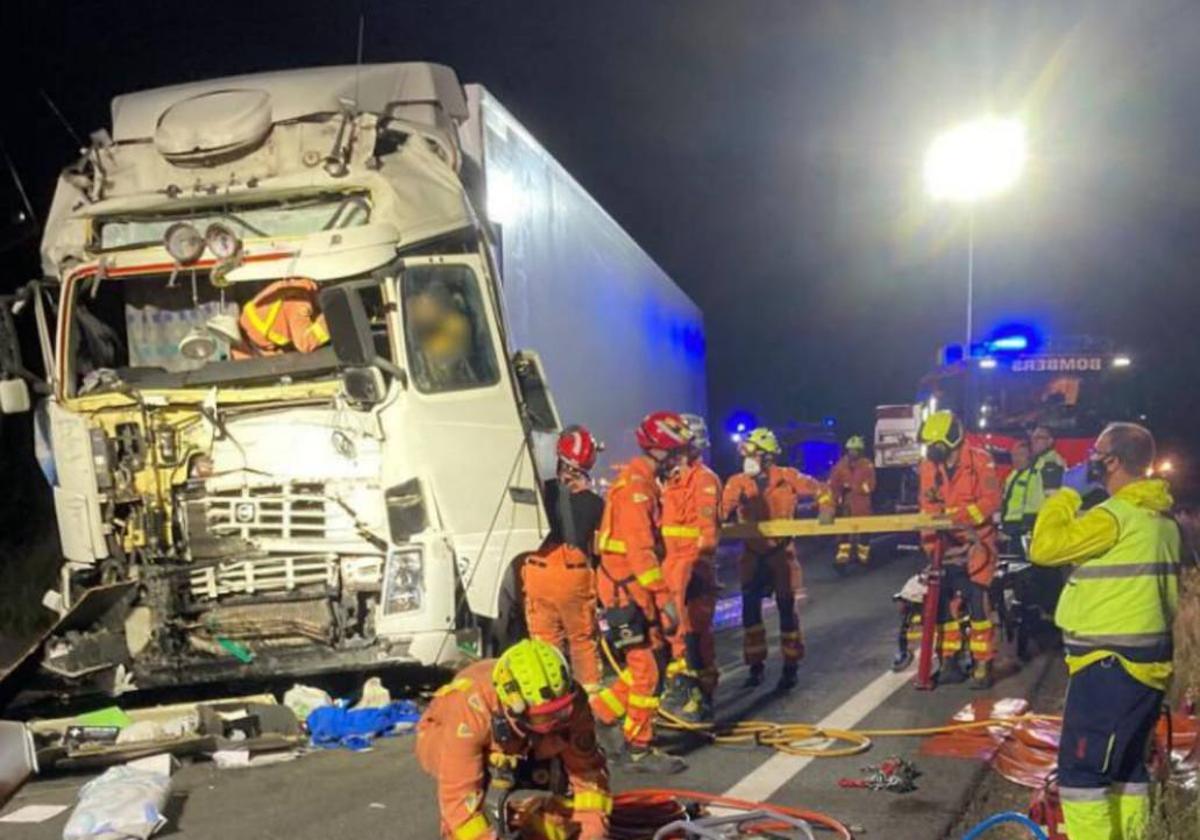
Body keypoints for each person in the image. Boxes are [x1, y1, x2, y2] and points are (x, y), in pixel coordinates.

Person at [1029, 423, 1179, 840]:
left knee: (1081, 777)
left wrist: (1065, 494)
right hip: (1145, 668)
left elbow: (1045, 548)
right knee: (1128, 769)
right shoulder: (1161, 519)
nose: (1088, 460)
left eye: (1095, 452)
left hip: (1108, 666)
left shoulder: (1114, 518)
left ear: (1111, 461)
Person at [416, 639, 612, 840]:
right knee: (462, 818)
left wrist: (592, 833)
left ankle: (539, 823)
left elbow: (588, 775)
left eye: (559, 713)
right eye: (541, 717)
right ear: (510, 704)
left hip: (520, 738)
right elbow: (460, 808)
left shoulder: (571, 700)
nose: (552, 724)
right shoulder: (469, 710)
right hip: (444, 732)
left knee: (568, 782)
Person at [589, 411, 689, 774]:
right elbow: (641, 553)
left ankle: (600, 714)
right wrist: (663, 599)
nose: (681, 459)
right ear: (659, 449)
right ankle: (638, 747)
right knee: (646, 669)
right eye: (677, 452)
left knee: (651, 661)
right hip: (624, 592)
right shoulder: (636, 489)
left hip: (631, 589)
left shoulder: (644, 482)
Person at [721, 427, 834, 691]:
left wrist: (826, 509)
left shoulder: (787, 478)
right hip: (752, 556)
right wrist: (723, 514)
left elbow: (821, 489)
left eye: (754, 453)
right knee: (751, 616)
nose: (748, 458)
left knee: (787, 614)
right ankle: (756, 667)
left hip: (782, 556)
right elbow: (723, 509)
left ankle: (790, 667)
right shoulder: (738, 482)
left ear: (768, 457)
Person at [917, 410, 1002, 688]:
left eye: (935, 445)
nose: (931, 451)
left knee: (978, 599)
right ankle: (950, 659)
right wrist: (932, 548)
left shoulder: (980, 460)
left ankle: (983, 662)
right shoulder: (929, 467)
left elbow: (991, 501)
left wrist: (961, 519)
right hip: (946, 543)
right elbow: (928, 509)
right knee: (942, 600)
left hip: (979, 541)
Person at [522, 426, 606, 700]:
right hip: (573, 577)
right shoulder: (595, 504)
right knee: (581, 642)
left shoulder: (539, 493)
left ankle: (548, 700)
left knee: (545, 646)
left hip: (537, 572)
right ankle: (590, 702)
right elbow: (601, 546)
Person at [660, 414, 722, 723]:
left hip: (692, 569)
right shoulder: (672, 480)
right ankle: (682, 691)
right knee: (675, 634)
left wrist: (697, 569)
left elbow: (706, 531)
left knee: (696, 634)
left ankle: (702, 697)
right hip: (672, 569)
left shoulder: (704, 480)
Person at [235, 277, 329, 357]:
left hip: (249, 336)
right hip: (250, 349)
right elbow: (305, 344)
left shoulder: (293, 285)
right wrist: (330, 319)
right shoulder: (299, 303)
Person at [828, 435, 877, 567]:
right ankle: (843, 556)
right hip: (846, 504)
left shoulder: (867, 465)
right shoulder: (840, 466)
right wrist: (835, 498)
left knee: (864, 531)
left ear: (860, 451)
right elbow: (834, 484)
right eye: (850, 450)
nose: (852, 452)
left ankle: (863, 556)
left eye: (855, 450)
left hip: (862, 504)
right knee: (844, 530)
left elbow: (870, 485)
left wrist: (853, 487)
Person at [1024, 425, 1067, 521]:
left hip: (1041, 518)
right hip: (1033, 518)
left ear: (1050, 441)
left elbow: (1052, 497)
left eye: (1039, 438)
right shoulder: (1039, 461)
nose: (1033, 441)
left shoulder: (1050, 462)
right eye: (1032, 437)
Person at [1000, 440, 1034, 557]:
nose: (1016, 459)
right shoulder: (1012, 475)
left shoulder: (1033, 475)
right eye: (1014, 455)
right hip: (1009, 525)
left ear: (1029, 456)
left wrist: (1026, 527)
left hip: (1022, 526)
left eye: (1021, 455)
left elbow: (1033, 503)